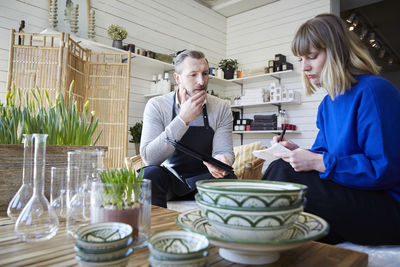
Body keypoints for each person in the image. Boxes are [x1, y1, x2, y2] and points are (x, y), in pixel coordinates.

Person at [262, 13, 400, 245]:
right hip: (356, 194)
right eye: (300, 59)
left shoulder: (375, 91)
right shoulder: (328, 103)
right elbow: (324, 157)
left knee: (283, 175)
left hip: (387, 205)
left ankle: (251, 234)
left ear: (338, 52)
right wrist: (296, 153)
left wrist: (317, 162)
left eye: (312, 57)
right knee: (281, 167)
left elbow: (384, 170)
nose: (304, 67)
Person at [140, 50, 236, 208]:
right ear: (177, 78)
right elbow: (149, 158)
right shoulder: (157, 105)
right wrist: (183, 119)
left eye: (205, 73)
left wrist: (222, 161)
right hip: (171, 178)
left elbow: (224, 150)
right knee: (149, 174)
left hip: (208, 178)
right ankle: (154, 229)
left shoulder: (221, 107)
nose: (201, 81)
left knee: (231, 180)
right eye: (193, 75)